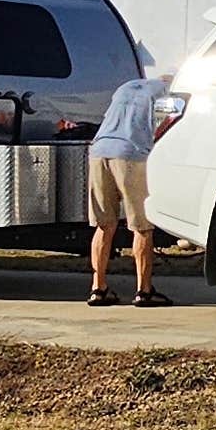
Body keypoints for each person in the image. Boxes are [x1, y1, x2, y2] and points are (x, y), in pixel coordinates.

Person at [87, 68, 170, 306]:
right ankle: (144, 291)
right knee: (142, 226)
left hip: (99, 151)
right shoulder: (166, 93)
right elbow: (165, 127)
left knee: (104, 225)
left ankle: (98, 288)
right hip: (131, 154)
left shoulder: (126, 87)